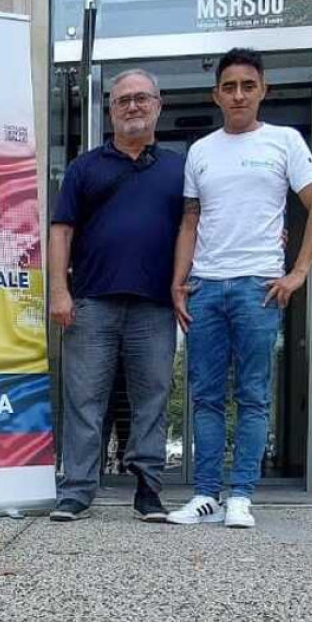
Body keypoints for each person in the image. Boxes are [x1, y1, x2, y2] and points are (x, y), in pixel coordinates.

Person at [169, 48, 312, 529]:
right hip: (205, 286)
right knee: (205, 396)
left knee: (254, 395)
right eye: (229, 87)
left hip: (258, 288)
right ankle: (206, 495)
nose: (238, 95)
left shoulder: (284, 141)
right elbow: (190, 222)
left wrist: (298, 272)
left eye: (247, 86)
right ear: (216, 95)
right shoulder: (200, 151)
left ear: (263, 91)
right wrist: (178, 282)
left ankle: (241, 495)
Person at [48, 69, 185, 522]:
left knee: (152, 399)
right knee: (84, 400)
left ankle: (148, 490)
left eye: (142, 98)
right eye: (123, 99)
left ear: (158, 105)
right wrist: (59, 291)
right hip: (91, 303)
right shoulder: (84, 168)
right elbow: (61, 231)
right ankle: (76, 490)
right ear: (110, 111)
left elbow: (202, 225)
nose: (133, 106)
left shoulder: (179, 169)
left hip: (155, 306)